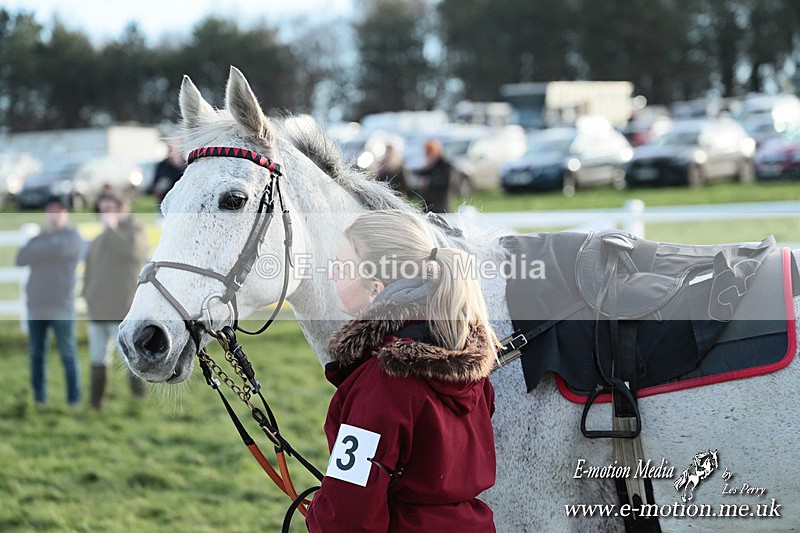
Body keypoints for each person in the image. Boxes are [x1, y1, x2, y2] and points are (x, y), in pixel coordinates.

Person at [306, 210, 500, 532]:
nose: (332, 273)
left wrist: (318, 515)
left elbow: (347, 514)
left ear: (375, 288)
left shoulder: (383, 380)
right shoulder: (468, 359)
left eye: (342, 265)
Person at [83, 193, 149, 410]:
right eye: (102, 209)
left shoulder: (135, 233)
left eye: (110, 208)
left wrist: (111, 229)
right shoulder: (100, 239)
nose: (105, 214)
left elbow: (130, 252)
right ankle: (95, 405)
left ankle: (138, 403)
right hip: (97, 311)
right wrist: (87, 296)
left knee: (132, 359)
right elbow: (90, 271)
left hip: (123, 310)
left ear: (122, 209)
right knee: (97, 359)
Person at [15, 197, 83, 406]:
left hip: (61, 305)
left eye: (59, 211)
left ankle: (74, 400)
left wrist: (41, 252)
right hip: (36, 305)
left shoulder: (72, 237)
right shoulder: (39, 237)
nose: (54, 215)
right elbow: (21, 258)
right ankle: (39, 399)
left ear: (66, 213)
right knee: (36, 354)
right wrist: (50, 249)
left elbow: (62, 251)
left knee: (68, 353)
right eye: (51, 210)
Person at [415, 139, 455, 213]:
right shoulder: (431, 165)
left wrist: (429, 181)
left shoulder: (446, 165)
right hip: (428, 203)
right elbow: (419, 176)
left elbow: (446, 181)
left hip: (440, 203)